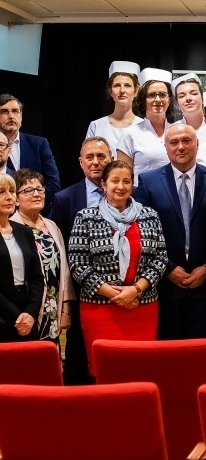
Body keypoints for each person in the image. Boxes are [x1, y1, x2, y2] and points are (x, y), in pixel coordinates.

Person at [68, 161, 167, 374]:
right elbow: (78, 264)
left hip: (142, 307)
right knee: (106, 371)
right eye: (115, 181)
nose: (121, 186)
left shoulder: (150, 215)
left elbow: (160, 259)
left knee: (141, 370)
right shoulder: (86, 217)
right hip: (100, 310)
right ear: (104, 184)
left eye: (126, 181)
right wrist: (117, 296)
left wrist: (135, 290)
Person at [134, 124, 206, 340]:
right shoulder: (148, 182)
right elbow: (142, 233)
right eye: (174, 142)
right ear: (166, 147)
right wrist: (168, 267)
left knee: (201, 353)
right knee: (167, 355)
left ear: (197, 144)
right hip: (165, 287)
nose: (181, 147)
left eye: (186, 141)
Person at [50, 136, 113, 384]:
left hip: (122, 290)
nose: (95, 162)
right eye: (90, 157)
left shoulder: (129, 193)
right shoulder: (64, 198)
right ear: (80, 162)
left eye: (101, 156)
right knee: (79, 350)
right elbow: (59, 246)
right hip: (81, 290)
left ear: (111, 159)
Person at [11, 169, 74, 344]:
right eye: (28, 190)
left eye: (39, 189)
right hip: (23, 309)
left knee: (49, 355)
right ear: (16, 199)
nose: (36, 194)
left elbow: (65, 271)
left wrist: (66, 309)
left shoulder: (52, 226)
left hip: (52, 306)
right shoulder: (10, 227)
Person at [0, 94, 61, 214]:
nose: (11, 116)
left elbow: (53, 184)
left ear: (21, 116)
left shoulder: (39, 144)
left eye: (15, 111)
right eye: (4, 111)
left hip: (36, 213)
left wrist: (31, 205)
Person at [0, 173, 43, 342]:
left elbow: (37, 277)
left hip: (27, 315)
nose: (9, 197)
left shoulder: (24, 231)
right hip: (4, 313)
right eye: (1, 192)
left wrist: (30, 313)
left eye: (12, 191)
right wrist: (16, 316)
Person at [117, 68, 175, 185]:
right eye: (151, 95)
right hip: (142, 194)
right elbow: (123, 178)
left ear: (169, 100)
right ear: (143, 100)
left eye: (162, 95)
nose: (157, 99)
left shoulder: (177, 131)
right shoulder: (130, 134)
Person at [85, 61, 143, 155]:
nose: (122, 90)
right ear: (110, 91)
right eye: (117, 85)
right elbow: (88, 157)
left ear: (136, 91)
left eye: (127, 85)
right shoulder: (96, 126)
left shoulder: (144, 126)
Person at [172, 73, 206, 141]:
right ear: (177, 104)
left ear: (203, 98)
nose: (188, 98)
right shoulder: (173, 130)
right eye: (182, 96)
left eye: (194, 93)